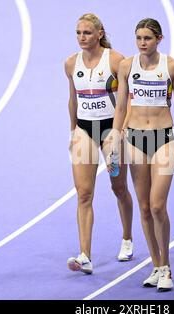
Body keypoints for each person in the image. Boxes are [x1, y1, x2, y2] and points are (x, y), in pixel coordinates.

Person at [106, 18, 174, 291]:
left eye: (148, 39)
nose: (143, 43)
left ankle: (166, 266)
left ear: (159, 39)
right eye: (139, 38)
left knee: (157, 205)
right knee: (144, 208)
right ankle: (156, 266)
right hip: (134, 139)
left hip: (164, 138)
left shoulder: (172, 66)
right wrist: (115, 141)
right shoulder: (126, 66)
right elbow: (120, 108)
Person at [65, 13, 134, 274]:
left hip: (110, 133)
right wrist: (73, 130)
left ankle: (127, 237)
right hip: (85, 130)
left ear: (99, 34)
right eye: (78, 33)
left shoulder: (116, 60)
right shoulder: (71, 63)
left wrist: (121, 131)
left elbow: (128, 99)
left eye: (87, 33)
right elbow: (73, 99)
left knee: (118, 187)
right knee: (83, 194)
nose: (82, 38)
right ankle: (85, 255)